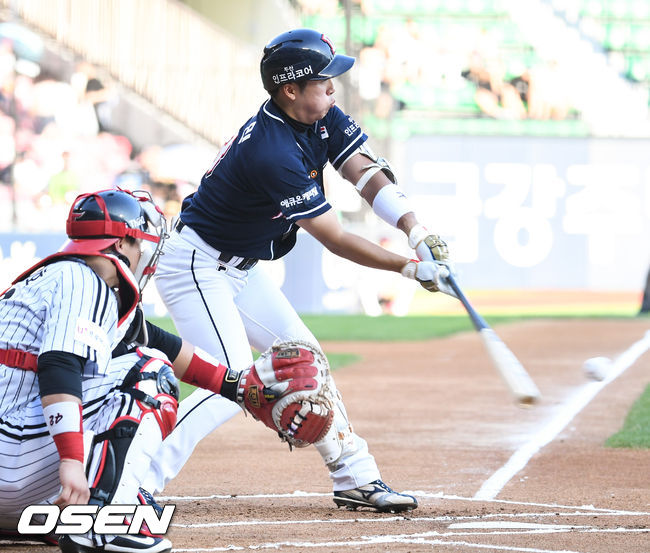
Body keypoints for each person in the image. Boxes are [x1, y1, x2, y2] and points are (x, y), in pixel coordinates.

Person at [144, 28, 454, 513]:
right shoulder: (272, 151)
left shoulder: (320, 113)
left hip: (239, 267)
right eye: (323, 81)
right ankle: (134, 480)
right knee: (228, 386)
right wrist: (409, 269)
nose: (333, 88)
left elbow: (365, 174)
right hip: (197, 265)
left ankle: (355, 477)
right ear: (290, 89)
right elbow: (334, 238)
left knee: (308, 361)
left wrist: (415, 231)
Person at [0, 188, 325, 553]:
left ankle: (67, 506)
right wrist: (73, 461)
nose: (146, 251)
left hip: (11, 457)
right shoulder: (84, 282)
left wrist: (234, 386)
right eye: (140, 241)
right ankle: (102, 522)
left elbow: (157, 341)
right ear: (121, 242)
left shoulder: (61, 279)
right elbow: (58, 366)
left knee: (138, 362)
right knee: (150, 375)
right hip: (11, 459)